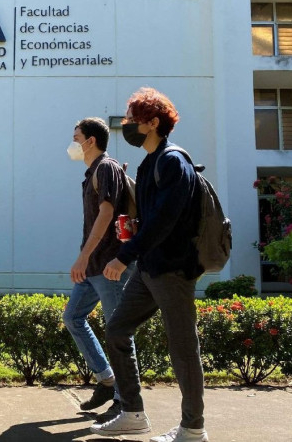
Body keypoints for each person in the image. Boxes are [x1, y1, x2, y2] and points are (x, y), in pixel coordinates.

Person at [91, 88, 210, 442]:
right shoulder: (148, 164)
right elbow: (151, 220)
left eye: (133, 119)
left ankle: (193, 429)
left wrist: (123, 256)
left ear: (153, 123)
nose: (127, 124)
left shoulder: (173, 162)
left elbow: (165, 221)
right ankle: (133, 414)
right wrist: (132, 228)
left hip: (173, 269)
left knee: (183, 347)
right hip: (149, 267)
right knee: (117, 330)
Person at [63, 117, 135, 423]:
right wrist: (85, 259)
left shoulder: (106, 167)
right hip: (94, 266)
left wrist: (83, 257)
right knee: (73, 317)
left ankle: (125, 401)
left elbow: (106, 214)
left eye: (76, 137)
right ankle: (107, 380)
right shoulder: (93, 172)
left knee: (118, 331)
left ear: (91, 141)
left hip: (109, 265)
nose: (73, 143)